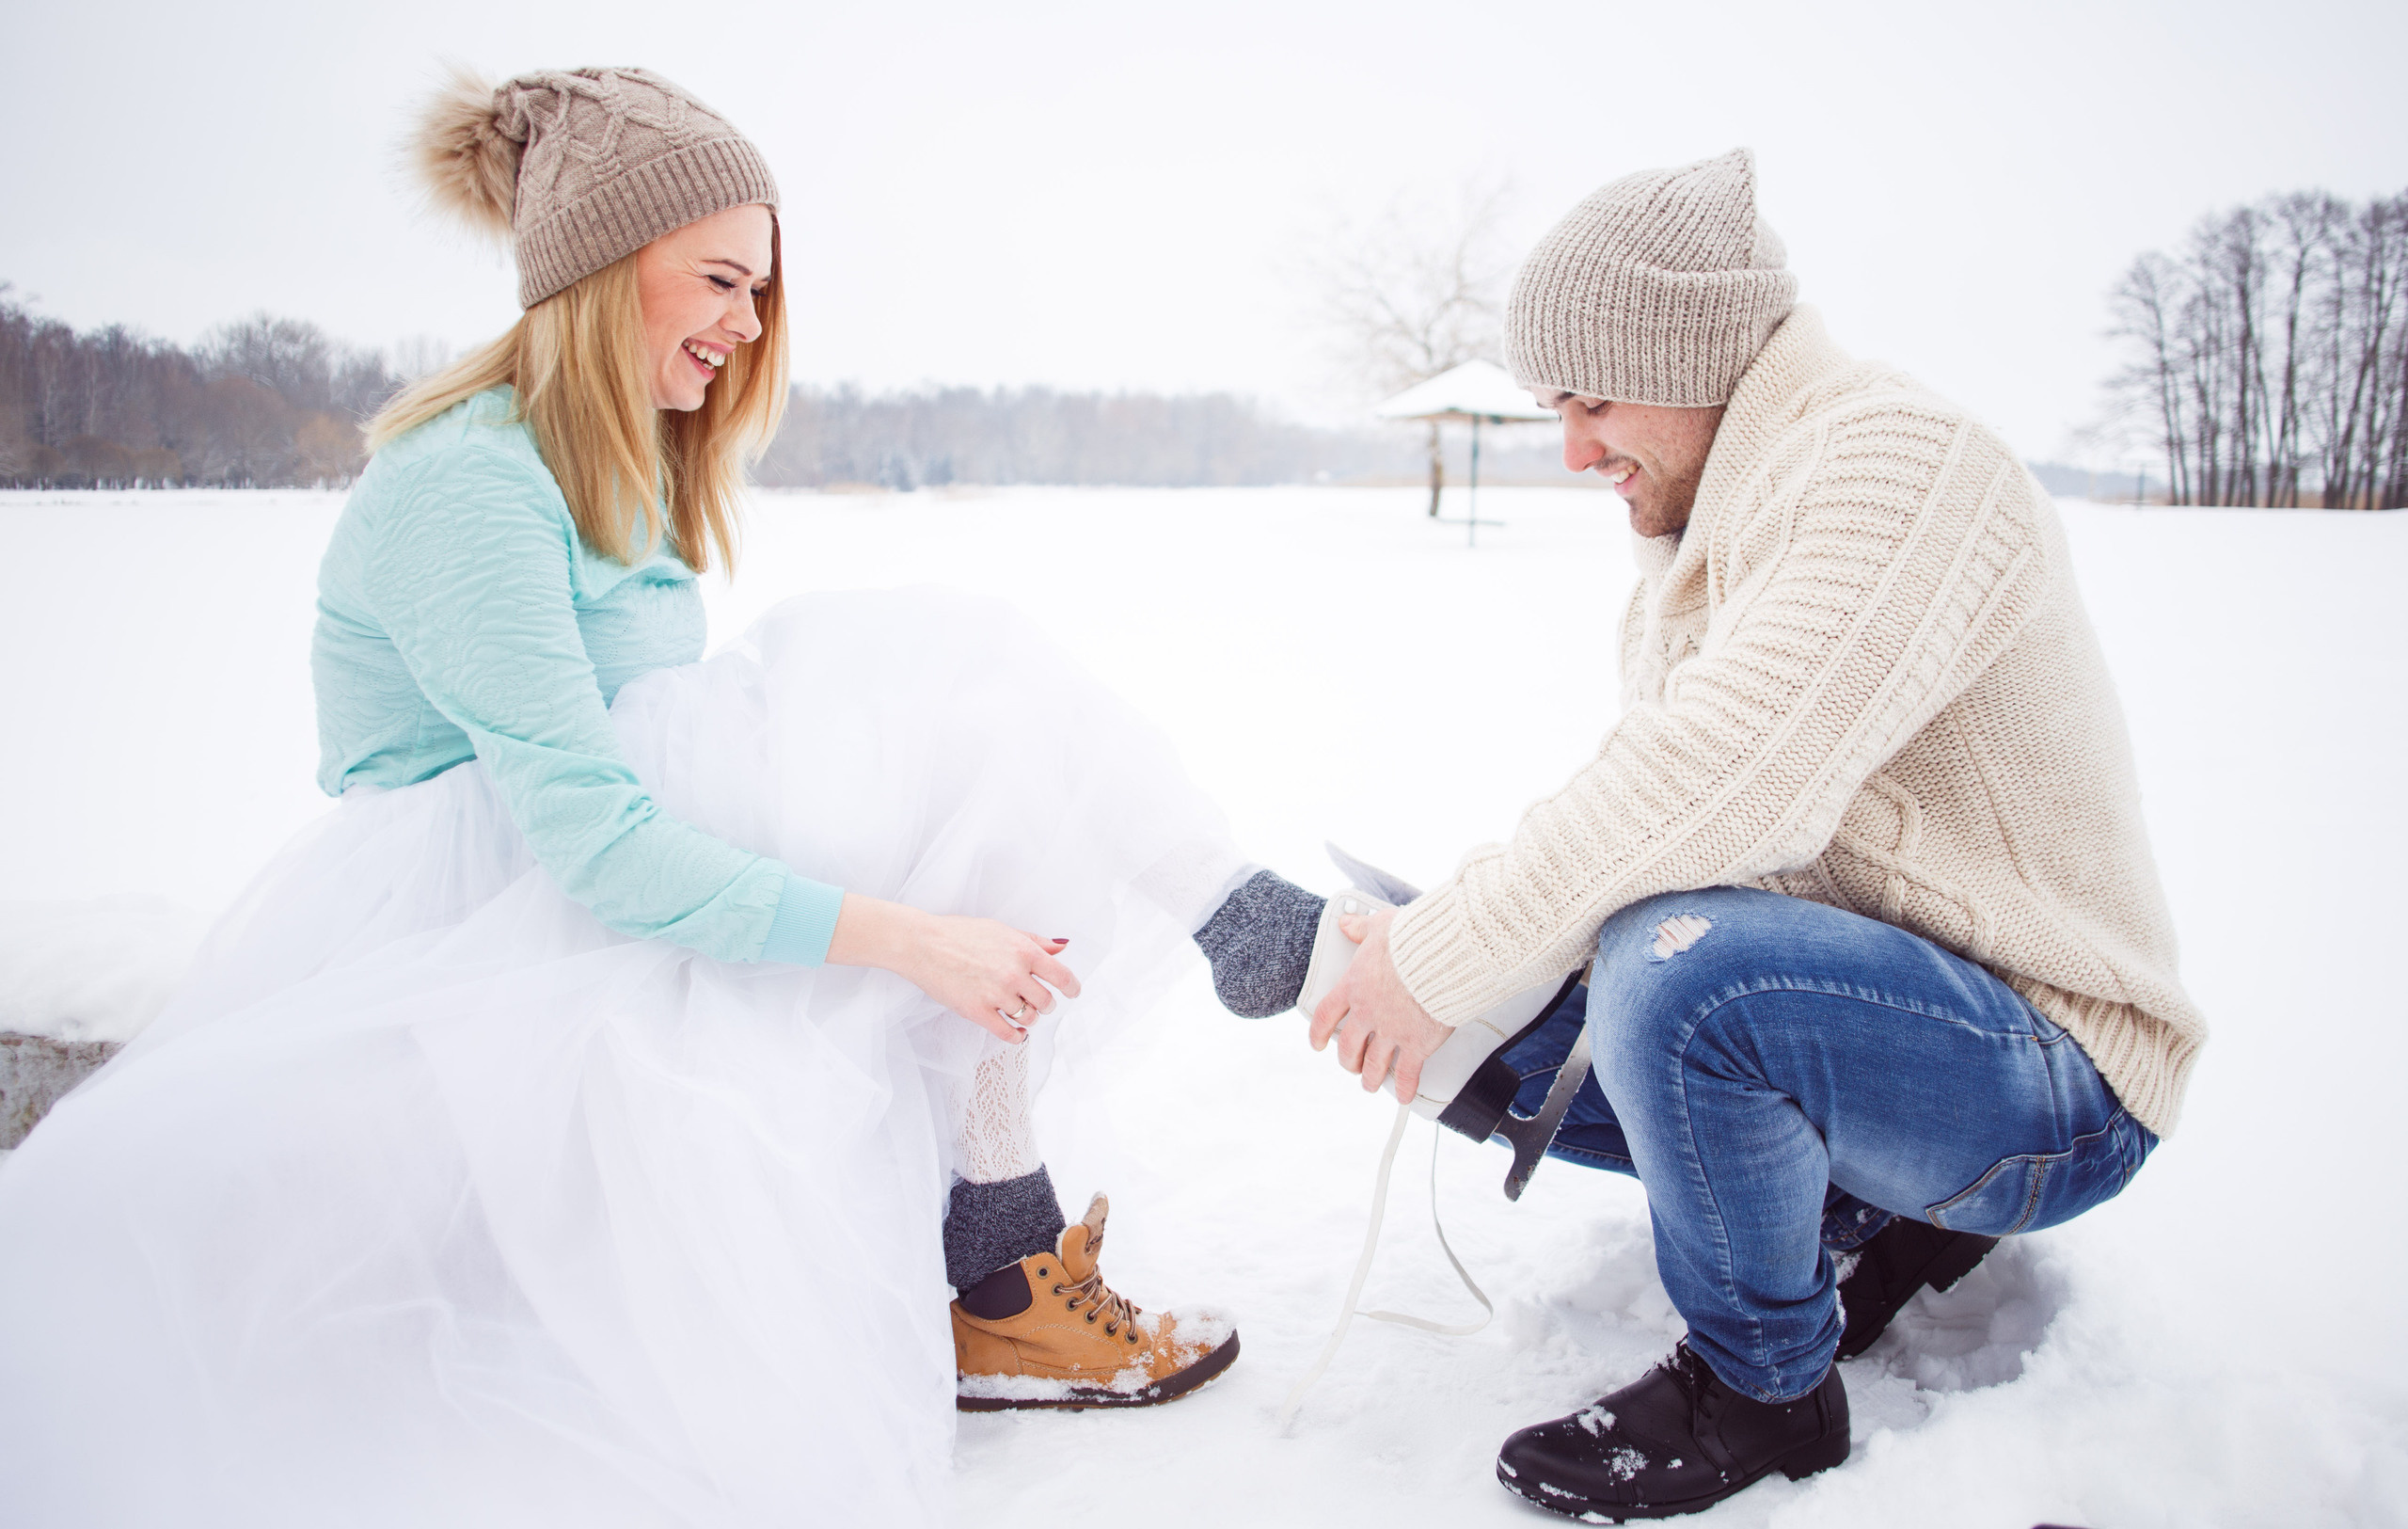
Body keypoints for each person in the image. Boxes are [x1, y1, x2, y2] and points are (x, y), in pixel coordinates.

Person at [0, 67, 1299, 1527]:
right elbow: (595, 841)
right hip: (488, 938)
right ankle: (1158, 1057)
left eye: (763, 290)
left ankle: (1025, 1245)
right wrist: (904, 936)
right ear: (607, 267)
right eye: (724, 281)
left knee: (966, 742)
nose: (749, 326)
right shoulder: (470, 486)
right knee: (946, 691)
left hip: (577, 892)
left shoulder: (616, 472)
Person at [1276, 149, 2208, 1521]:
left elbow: (1725, 776)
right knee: (1550, 986)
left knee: (1678, 963)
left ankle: (1761, 1390)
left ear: (1696, 352)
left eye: (1593, 400)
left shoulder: (1897, 465)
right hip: (1902, 1017)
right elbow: (1659, 811)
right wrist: (1449, 965)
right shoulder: (1719, 515)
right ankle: (1877, 1216)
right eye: (1553, 408)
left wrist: (1455, 950)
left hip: (2056, 1073)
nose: (1575, 448)